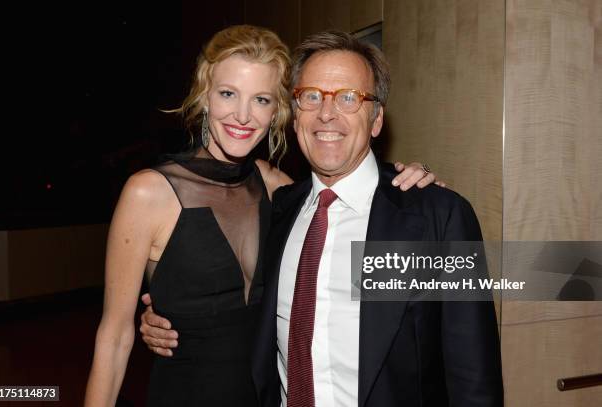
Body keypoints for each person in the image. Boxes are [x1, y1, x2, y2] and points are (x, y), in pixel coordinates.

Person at [84, 25, 441, 407]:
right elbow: (114, 337)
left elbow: (347, 194)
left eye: (261, 100)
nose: (242, 115)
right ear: (204, 97)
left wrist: (407, 184)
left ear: (278, 111)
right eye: (227, 94)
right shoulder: (147, 193)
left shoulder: (277, 188)